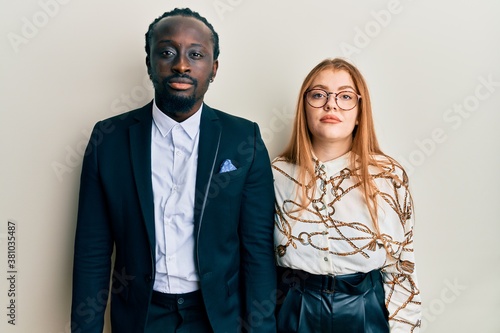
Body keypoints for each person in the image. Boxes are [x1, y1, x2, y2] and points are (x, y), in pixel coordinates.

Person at [71, 8, 277, 333]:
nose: (181, 64)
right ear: (150, 62)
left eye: (196, 54)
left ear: (214, 68)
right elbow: (92, 250)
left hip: (219, 318)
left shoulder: (243, 139)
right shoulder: (108, 140)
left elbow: (257, 250)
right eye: (167, 52)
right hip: (141, 317)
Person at [272, 58, 421, 332]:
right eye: (318, 95)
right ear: (303, 107)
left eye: (345, 96)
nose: (331, 104)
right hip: (294, 311)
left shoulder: (389, 176)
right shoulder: (277, 173)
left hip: (365, 312)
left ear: (360, 111)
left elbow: (401, 271)